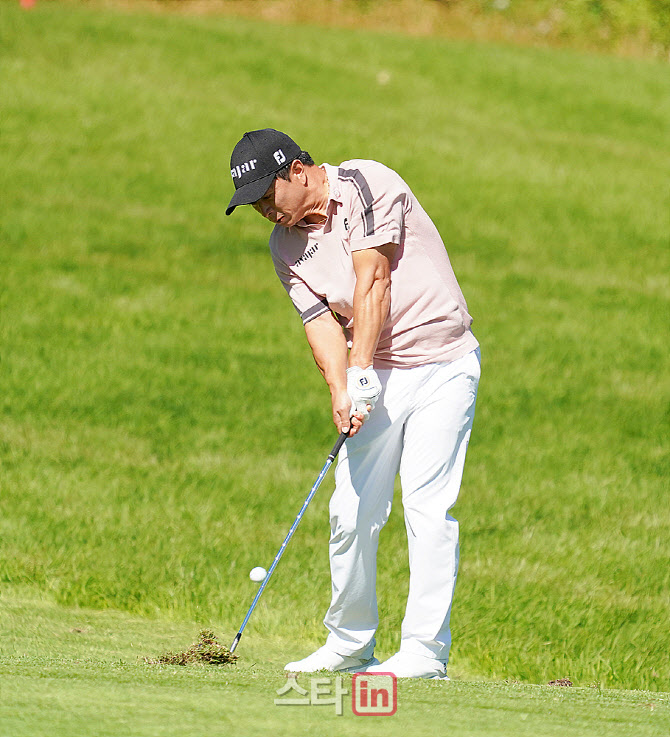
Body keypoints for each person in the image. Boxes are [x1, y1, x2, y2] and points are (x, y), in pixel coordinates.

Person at [226, 128, 480, 680]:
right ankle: (349, 641)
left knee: (427, 509)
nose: (266, 212)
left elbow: (375, 278)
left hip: (441, 364)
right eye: (254, 206)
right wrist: (342, 389)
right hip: (376, 374)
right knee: (351, 510)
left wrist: (361, 368)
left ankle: (423, 651)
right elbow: (318, 323)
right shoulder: (285, 246)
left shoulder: (368, 182)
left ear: (297, 170)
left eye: (268, 196)